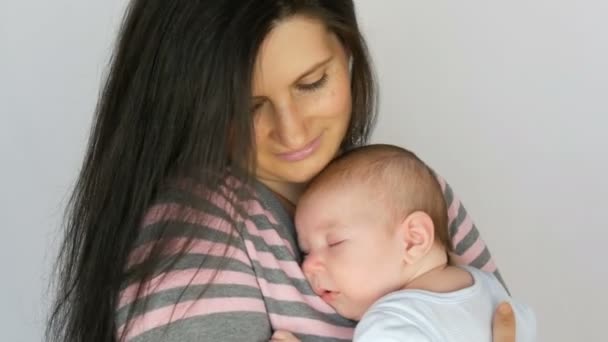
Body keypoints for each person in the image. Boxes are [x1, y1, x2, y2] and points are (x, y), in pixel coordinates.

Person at [46, 1, 517, 341]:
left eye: (312, 83)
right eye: (248, 107)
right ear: (189, 104)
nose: (291, 133)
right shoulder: (202, 244)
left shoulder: (407, 192)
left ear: (349, 51)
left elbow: (502, 322)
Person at [271, 144, 535, 341]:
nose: (308, 267)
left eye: (335, 243)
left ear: (412, 240)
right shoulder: (493, 292)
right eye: (305, 252)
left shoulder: (390, 325)